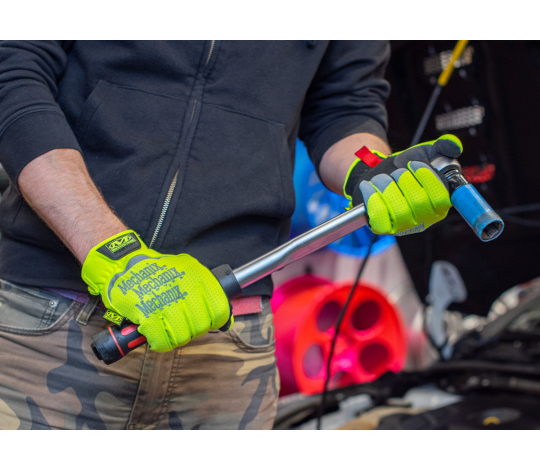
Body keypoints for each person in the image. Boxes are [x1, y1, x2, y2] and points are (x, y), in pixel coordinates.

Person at [0, 41, 462, 430]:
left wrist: (372, 171)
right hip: (45, 322)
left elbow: (345, 107)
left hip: (230, 347)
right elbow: (13, 71)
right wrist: (114, 251)